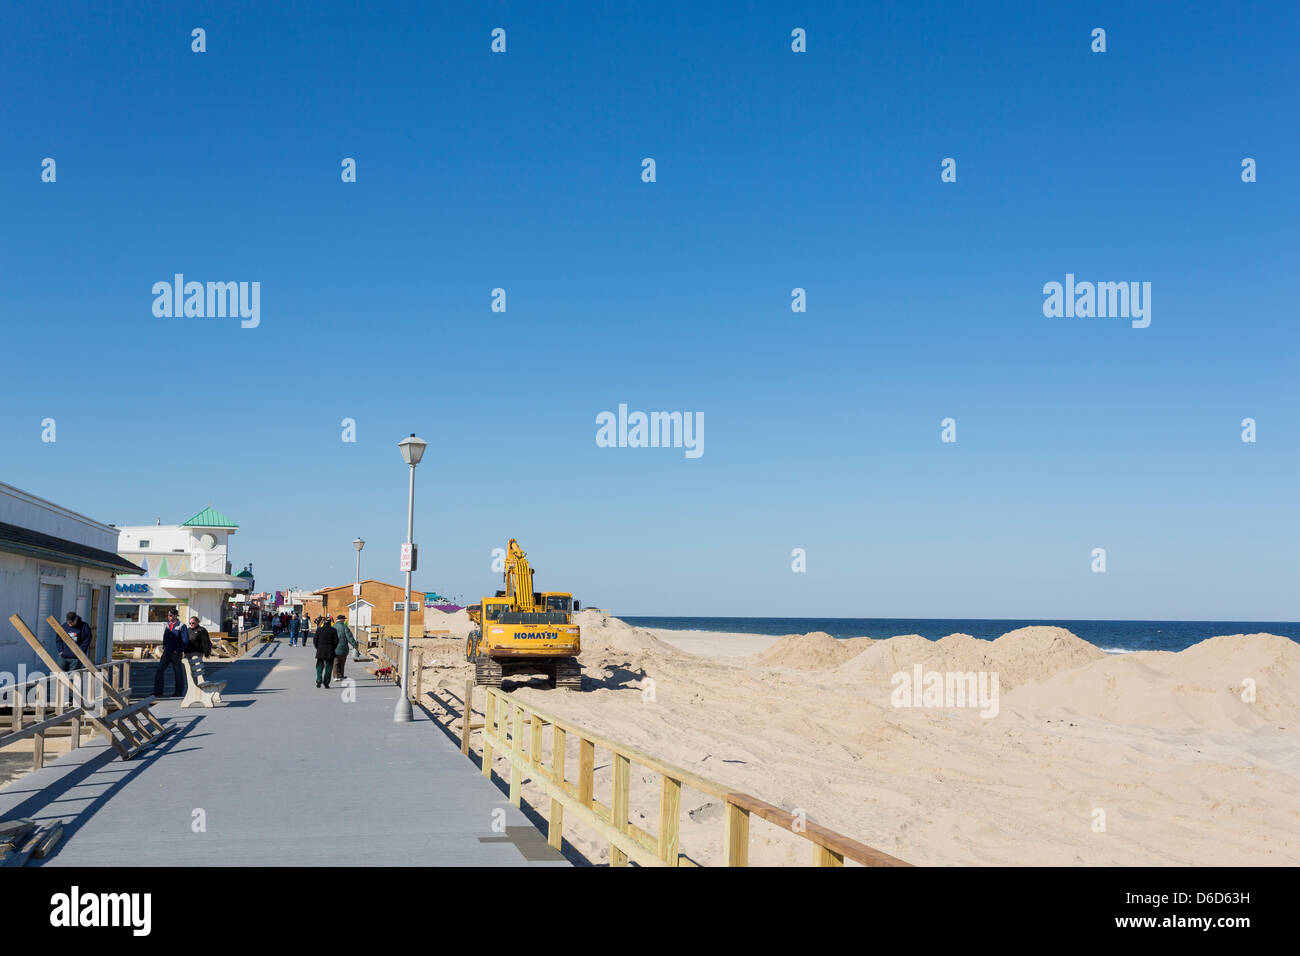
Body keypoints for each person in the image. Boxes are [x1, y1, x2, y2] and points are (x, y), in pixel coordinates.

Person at [154, 610, 188, 698]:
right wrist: (164, 646)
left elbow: (185, 640)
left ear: (176, 616)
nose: (169, 617)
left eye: (171, 615)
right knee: (160, 670)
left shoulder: (182, 626)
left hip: (176, 653)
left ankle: (178, 692)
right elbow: (165, 637)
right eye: (168, 615)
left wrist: (179, 650)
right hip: (167, 652)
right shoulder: (168, 625)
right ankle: (158, 691)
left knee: (178, 673)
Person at [314, 616, 338, 688]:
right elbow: (336, 641)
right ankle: (326, 683)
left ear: (323, 623)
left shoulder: (319, 630)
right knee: (329, 667)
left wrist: (318, 647)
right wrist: (333, 648)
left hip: (320, 650)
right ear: (330, 623)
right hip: (330, 650)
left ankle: (319, 679)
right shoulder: (333, 630)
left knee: (319, 666)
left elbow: (315, 640)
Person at [333, 614, 358, 681]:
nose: (344, 620)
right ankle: (340, 675)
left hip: (334, 648)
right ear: (341, 619)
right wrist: (355, 645)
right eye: (344, 619)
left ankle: (335, 676)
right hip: (343, 647)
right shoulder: (344, 627)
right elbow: (349, 637)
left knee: (335, 663)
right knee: (342, 662)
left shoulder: (333, 627)